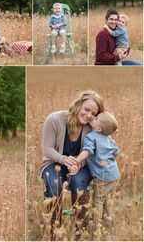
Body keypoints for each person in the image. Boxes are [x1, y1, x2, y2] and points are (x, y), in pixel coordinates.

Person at [41, 90, 105, 238]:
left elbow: (93, 152)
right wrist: (63, 159)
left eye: (93, 113)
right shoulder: (54, 119)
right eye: (86, 109)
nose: (89, 115)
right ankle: (54, 233)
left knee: (78, 182)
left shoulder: (92, 127)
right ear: (78, 105)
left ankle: (80, 232)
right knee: (54, 185)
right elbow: (47, 149)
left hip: (82, 165)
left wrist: (78, 164)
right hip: (54, 161)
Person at [71, 111, 120, 229]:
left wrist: (77, 160)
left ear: (98, 129)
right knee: (107, 196)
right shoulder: (109, 138)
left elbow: (87, 151)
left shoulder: (91, 137)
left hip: (102, 175)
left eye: (96, 118)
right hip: (114, 173)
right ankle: (109, 217)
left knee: (98, 199)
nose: (93, 117)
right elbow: (116, 152)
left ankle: (97, 223)